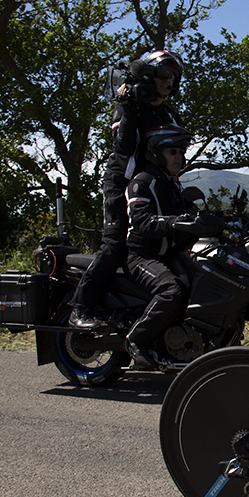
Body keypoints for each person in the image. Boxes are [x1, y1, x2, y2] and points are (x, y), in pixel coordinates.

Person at [69, 50, 185, 330]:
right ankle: (80, 309)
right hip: (122, 181)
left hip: (155, 185)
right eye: (164, 75)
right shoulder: (128, 105)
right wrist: (128, 104)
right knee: (114, 244)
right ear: (149, 75)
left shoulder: (168, 112)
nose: (169, 82)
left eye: (174, 77)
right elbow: (123, 147)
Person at [123, 124, 198, 367]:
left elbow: (188, 214)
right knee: (172, 290)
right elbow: (142, 222)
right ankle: (135, 340)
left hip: (167, 255)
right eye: (172, 151)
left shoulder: (172, 185)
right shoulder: (142, 183)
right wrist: (178, 222)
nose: (179, 156)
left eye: (181, 151)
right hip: (141, 256)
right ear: (156, 153)